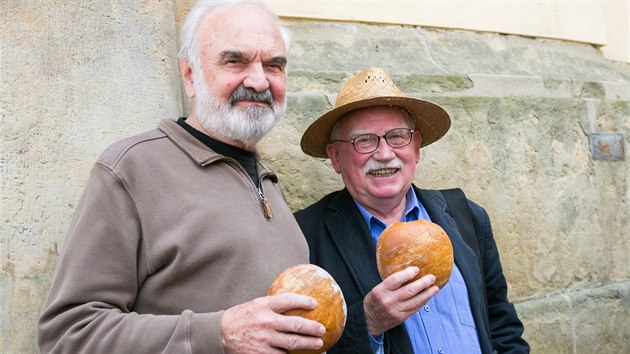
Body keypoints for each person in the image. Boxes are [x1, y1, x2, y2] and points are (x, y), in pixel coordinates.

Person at [37, 1, 328, 353]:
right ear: (190, 75)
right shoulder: (131, 169)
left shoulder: (266, 179)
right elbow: (68, 333)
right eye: (235, 61)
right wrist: (216, 334)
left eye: (274, 65)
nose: (258, 80)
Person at [294, 67, 530, 354]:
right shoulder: (305, 238)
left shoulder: (466, 216)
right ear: (335, 157)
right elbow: (305, 347)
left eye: (397, 136)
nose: (383, 154)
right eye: (364, 140)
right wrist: (368, 321)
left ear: (416, 148)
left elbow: (503, 327)